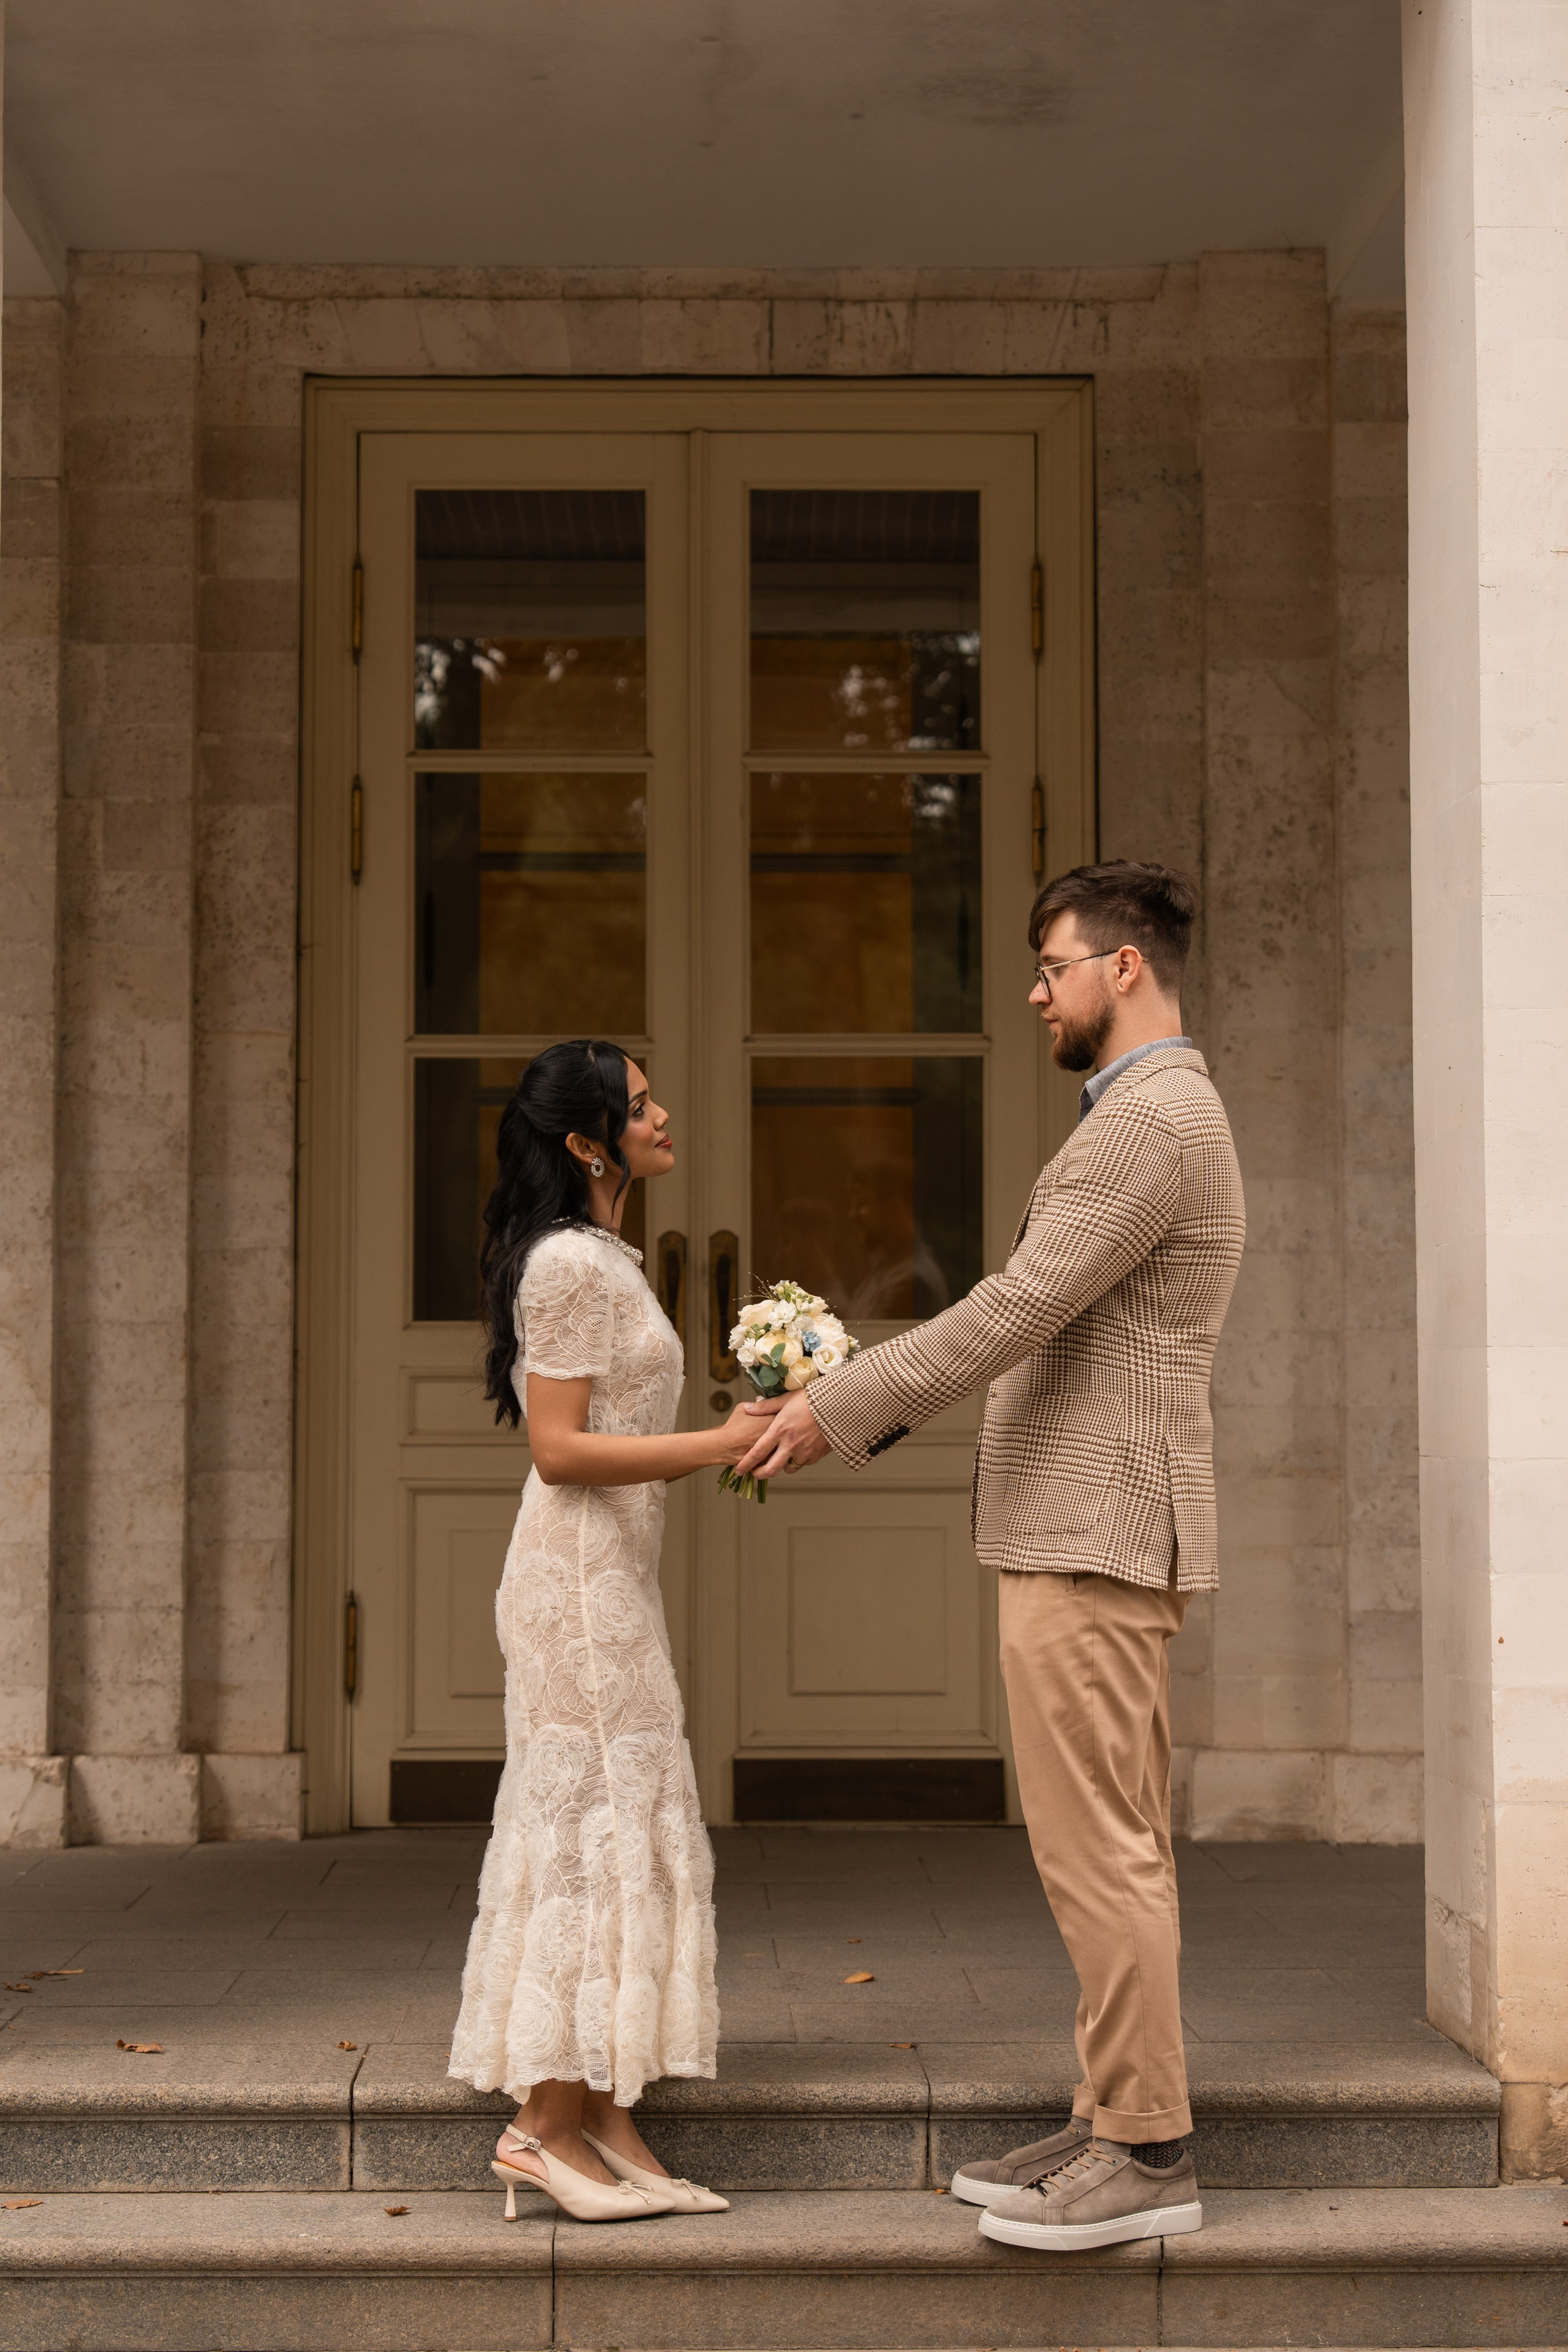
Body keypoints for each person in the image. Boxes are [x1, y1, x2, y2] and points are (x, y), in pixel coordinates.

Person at [735, 862, 1246, 2253]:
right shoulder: (1138, 1115)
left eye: (1051, 968)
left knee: (1101, 1860)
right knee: (1102, 1847)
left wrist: (836, 1407)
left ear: (1121, 969)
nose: (1033, 994)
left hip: (1094, 1533)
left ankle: (1144, 2151)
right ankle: (1108, 2113)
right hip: (1085, 1530)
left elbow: (1018, 1304)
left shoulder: (1151, 1120)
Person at [448, 1039, 757, 2225]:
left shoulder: (605, 1258)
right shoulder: (570, 1266)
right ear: (587, 1144)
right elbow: (560, 1451)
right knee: (590, 1831)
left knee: (618, 1820)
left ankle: (607, 2115)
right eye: (640, 1107)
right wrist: (723, 1443)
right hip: (577, 1583)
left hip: (611, 1572)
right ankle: (540, 2129)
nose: (664, 1114)